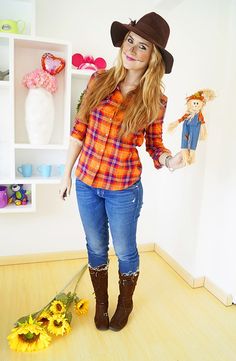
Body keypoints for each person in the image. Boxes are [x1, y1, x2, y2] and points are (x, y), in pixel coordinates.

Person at [59, 12, 184, 332]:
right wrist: (66, 174)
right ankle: (102, 302)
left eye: (143, 47)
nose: (132, 50)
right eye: (130, 41)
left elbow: (155, 145)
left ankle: (125, 302)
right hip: (87, 182)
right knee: (96, 246)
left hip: (123, 189)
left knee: (126, 250)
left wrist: (170, 161)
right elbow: (80, 128)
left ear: (153, 58)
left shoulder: (156, 100)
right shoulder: (98, 80)